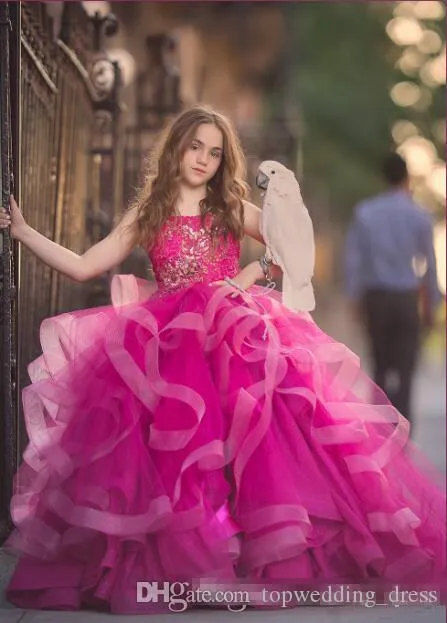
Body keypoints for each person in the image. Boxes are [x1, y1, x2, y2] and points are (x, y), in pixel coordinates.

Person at [0, 107, 444, 614]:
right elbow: (83, 266)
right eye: (196, 148)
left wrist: (254, 268)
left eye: (215, 153)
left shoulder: (232, 206)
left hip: (236, 334)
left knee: (256, 441)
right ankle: (191, 562)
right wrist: (23, 232)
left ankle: (250, 558)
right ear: (176, 148)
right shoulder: (149, 213)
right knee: (179, 455)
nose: (204, 160)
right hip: (168, 347)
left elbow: (291, 250)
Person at [344, 153, 442, 426]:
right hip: (406, 300)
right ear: (406, 177)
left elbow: (354, 260)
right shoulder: (419, 215)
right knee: (406, 370)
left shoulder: (365, 212)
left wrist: (354, 299)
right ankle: (404, 431)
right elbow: (430, 265)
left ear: (382, 177)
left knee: (381, 366)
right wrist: (431, 305)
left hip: (376, 299)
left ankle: (380, 428)